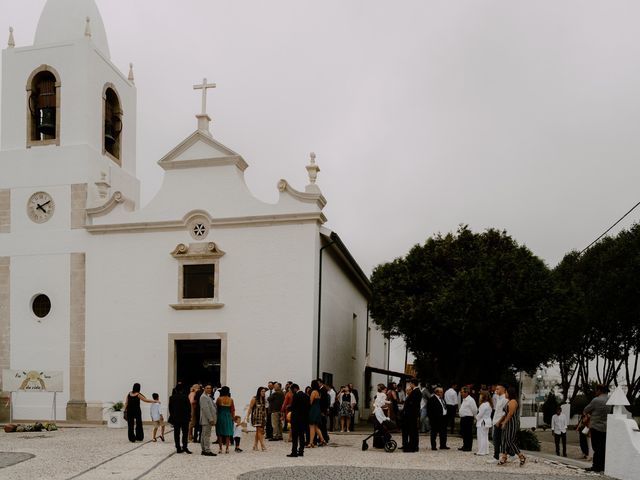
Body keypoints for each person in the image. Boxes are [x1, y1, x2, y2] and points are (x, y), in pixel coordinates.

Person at [583, 384, 611, 473]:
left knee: (596, 447)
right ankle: (602, 466)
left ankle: (596, 466)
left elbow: (586, 409)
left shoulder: (596, 400)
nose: (595, 392)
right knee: (602, 447)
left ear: (600, 390)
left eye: (596, 390)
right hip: (605, 427)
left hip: (595, 426)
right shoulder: (609, 400)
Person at [495, 386, 525, 466]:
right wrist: (500, 421)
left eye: (506, 392)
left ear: (510, 393)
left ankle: (521, 456)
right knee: (504, 440)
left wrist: (504, 422)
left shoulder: (513, 401)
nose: (505, 394)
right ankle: (504, 457)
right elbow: (505, 414)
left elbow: (510, 414)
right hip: (507, 423)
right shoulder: (508, 401)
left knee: (509, 440)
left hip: (512, 424)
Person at [168, 384, 193, 454]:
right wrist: (189, 416)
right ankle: (185, 447)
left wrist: (172, 416)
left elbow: (170, 409)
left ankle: (178, 447)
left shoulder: (172, 397)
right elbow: (189, 408)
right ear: (182, 390)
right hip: (185, 418)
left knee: (176, 433)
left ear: (175, 390)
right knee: (185, 433)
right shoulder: (185, 397)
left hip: (176, 418)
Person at [287, 383, 310, 457]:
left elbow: (294, 407)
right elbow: (308, 407)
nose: (291, 392)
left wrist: (288, 408)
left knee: (295, 436)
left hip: (296, 419)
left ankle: (294, 452)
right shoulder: (306, 396)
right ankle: (301, 451)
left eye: (291, 390)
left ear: (295, 389)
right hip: (303, 419)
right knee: (302, 436)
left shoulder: (296, 396)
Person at [402, 379, 422, 452]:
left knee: (412, 431)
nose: (410, 385)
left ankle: (413, 447)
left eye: (410, 383)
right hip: (412, 415)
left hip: (411, 415)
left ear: (413, 384)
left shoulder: (415, 392)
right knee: (412, 431)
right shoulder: (416, 391)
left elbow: (413, 405)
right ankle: (412, 446)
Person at [246, 386, 268, 451]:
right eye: (262, 391)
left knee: (258, 431)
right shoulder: (254, 399)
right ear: (259, 392)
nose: (263, 393)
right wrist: (247, 416)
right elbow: (250, 408)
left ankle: (255, 445)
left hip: (262, 417)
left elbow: (264, 409)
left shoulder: (264, 399)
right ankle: (262, 445)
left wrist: (266, 416)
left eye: (264, 391)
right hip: (256, 417)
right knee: (260, 430)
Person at [199, 383, 217, 456]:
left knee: (204, 435)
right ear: (204, 388)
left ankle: (204, 449)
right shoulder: (203, 397)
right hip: (206, 420)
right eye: (207, 388)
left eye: (210, 388)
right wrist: (211, 419)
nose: (209, 389)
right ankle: (207, 450)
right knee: (206, 435)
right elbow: (206, 409)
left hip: (207, 419)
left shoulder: (208, 397)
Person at [215, 386, 235, 454]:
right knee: (228, 433)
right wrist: (233, 418)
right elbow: (232, 410)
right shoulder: (231, 399)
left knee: (220, 432)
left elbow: (216, 409)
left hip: (220, 416)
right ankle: (227, 448)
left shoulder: (219, 399)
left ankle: (220, 448)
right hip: (228, 416)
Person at [308, 380, 327, 446]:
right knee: (316, 426)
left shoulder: (313, 392)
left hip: (313, 409)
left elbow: (310, 402)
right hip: (317, 408)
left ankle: (311, 443)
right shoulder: (319, 392)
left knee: (312, 426)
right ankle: (322, 440)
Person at [458, 386, 478, 452]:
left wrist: (475, 417)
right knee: (464, 433)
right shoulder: (464, 399)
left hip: (468, 418)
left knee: (468, 433)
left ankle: (468, 447)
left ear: (466, 392)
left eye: (462, 392)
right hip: (463, 418)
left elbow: (474, 410)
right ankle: (465, 445)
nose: (461, 393)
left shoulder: (470, 400)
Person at [491, 383, 507, 461]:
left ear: (503, 389)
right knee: (496, 440)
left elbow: (504, 413)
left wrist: (499, 422)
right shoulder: (499, 398)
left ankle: (496, 456)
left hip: (499, 422)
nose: (496, 390)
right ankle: (498, 455)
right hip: (496, 421)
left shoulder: (505, 399)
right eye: (496, 389)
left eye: (498, 389)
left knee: (497, 440)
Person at [475, 391, 492, 456]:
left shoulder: (483, 405)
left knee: (481, 437)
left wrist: (476, 417)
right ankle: (486, 451)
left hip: (482, 422)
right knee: (485, 437)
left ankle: (481, 451)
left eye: (481, 395)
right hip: (487, 422)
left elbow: (480, 414)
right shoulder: (489, 404)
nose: (480, 396)